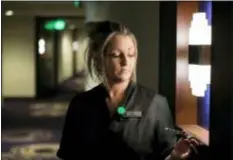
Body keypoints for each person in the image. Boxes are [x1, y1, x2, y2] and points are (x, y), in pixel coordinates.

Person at [57, 21, 198, 160]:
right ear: (99, 59)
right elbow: (70, 154)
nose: (125, 62)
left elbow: (165, 154)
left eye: (131, 55)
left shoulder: (155, 103)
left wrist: (176, 155)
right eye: (116, 55)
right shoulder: (80, 104)